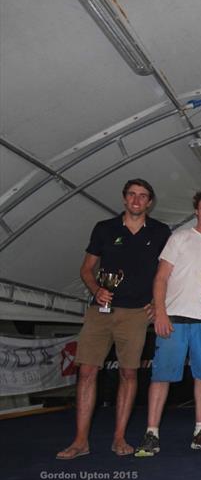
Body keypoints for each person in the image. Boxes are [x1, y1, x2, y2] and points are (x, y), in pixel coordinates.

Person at [57, 179, 171, 459]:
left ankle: (119, 438)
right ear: (124, 199)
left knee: (129, 373)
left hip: (136, 314)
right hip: (100, 313)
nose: (136, 200)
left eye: (143, 196)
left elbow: (167, 273)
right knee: (86, 372)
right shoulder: (104, 229)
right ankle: (80, 441)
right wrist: (97, 290)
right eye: (132, 195)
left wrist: (158, 304)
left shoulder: (160, 232)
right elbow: (86, 269)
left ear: (150, 202)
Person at [134, 188, 201, 457]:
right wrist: (162, 314)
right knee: (161, 376)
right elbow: (161, 278)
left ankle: (200, 431)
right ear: (196, 212)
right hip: (174, 320)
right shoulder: (180, 238)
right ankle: (151, 433)